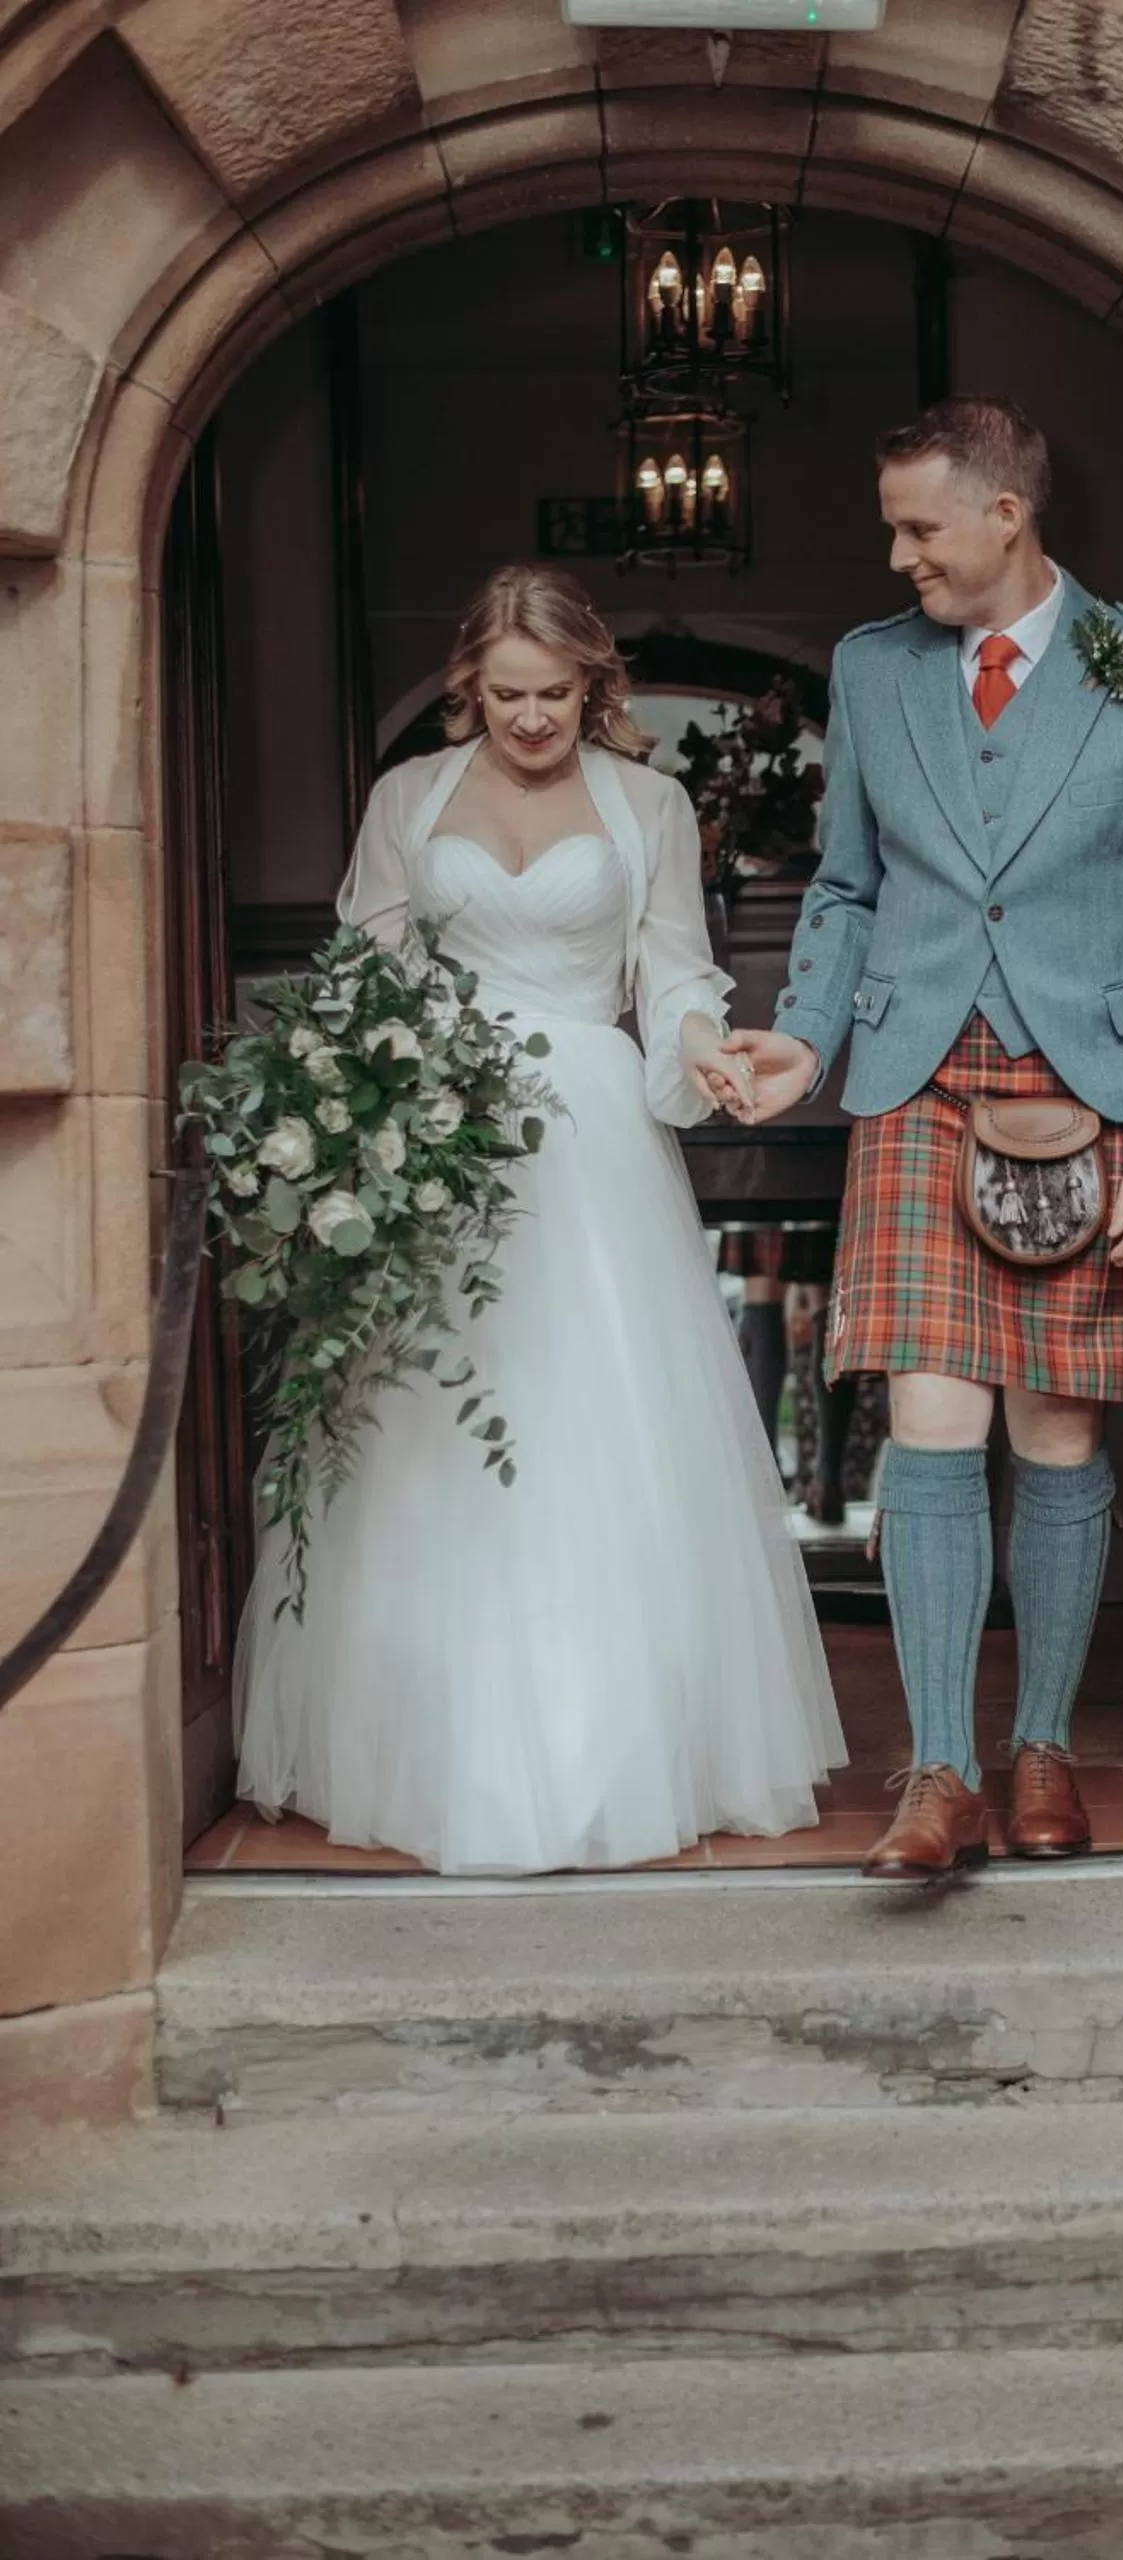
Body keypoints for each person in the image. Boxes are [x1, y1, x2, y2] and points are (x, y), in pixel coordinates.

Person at [235, 566, 845, 1874]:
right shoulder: (410, 799)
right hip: (439, 1138)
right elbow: (364, 975)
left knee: (596, 1416)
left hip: (593, 1129)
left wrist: (709, 1050)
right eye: (505, 695)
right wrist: (352, 1110)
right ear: (470, 687)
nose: (528, 720)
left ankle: (613, 1745)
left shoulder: (653, 804)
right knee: (436, 1432)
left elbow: (674, 968)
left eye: (553, 695)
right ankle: (437, 1747)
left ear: (595, 684)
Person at [721, 397, 1123, 1881]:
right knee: (934, 1421)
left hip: (1101, 1091)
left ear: (1008, 513)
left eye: (919, 526)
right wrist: (806, 1038)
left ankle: (1045, 1750)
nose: (899, 558)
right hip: (917, 1075)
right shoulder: (875, 676)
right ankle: (939, 1774)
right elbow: (846, 888)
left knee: (1058, 1424)